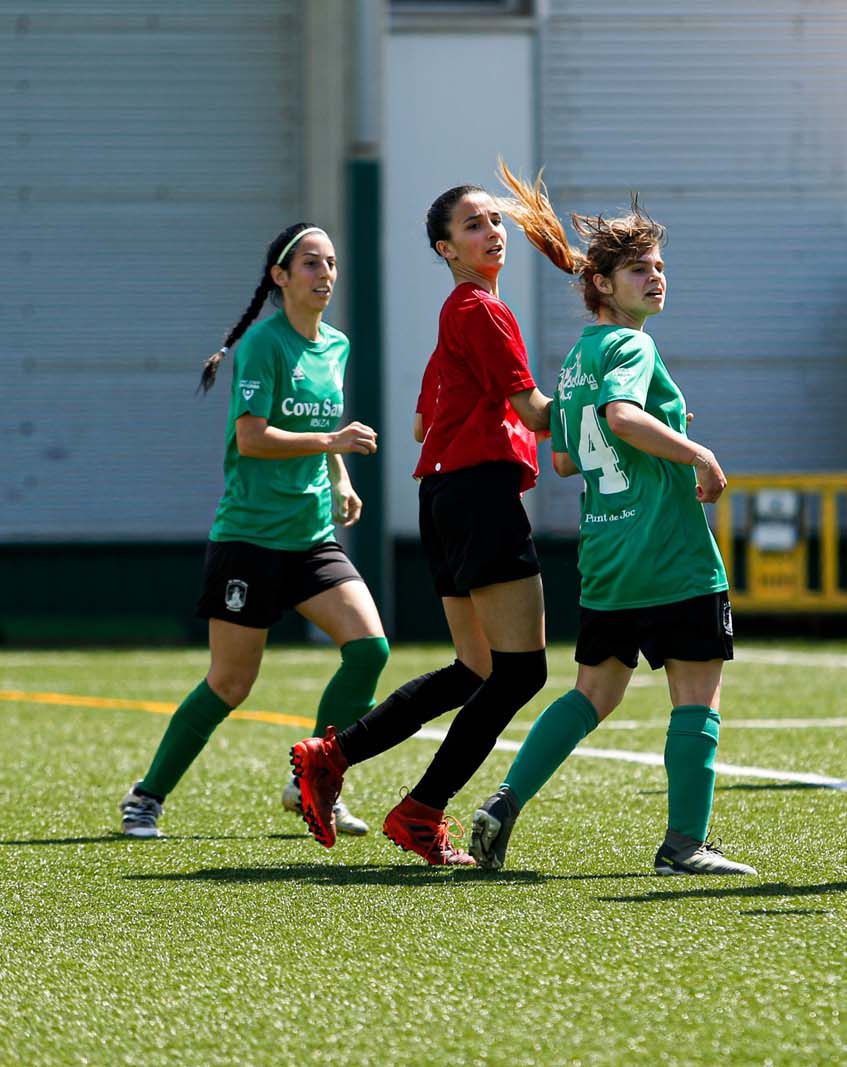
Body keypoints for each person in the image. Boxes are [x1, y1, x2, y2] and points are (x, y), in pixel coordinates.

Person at [464, 165, 754, 876]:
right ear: (602, 285)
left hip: (606, 557)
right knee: (697, 691)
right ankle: (684, 843)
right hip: (669, 551)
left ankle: (504, 801)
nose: (655, 279)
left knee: (594, 692)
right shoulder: (631, 345)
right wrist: (696, 452)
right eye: (637, 271)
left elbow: (564, 460)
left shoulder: (575, 361)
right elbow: (623, 418)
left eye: (658, 267)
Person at [289, 183, 555, 866]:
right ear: (446, 248)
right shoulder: (481, 311)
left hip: (441, 497)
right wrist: (616, 404)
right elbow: (532, 410)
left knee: (475, 667)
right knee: (520, 673)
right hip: (481, 496)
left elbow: (418, 423)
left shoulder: (456, 315)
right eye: (474, 224)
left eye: (496, 220)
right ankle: (421, 809)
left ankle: (332, 754)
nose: (493, 230)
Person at [118, 223, 388, 838]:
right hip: (249, 540)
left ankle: (313, 781)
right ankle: (147, 796)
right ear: (281, 278)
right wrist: (334, 441)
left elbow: (319, 424)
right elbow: (253, 437)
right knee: (231, 683)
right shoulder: (264, 345)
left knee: (369, 650)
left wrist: (339, 474)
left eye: (332, 263)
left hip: (312, 536)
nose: (325, 275)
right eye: (311, 264)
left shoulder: (336, 346)